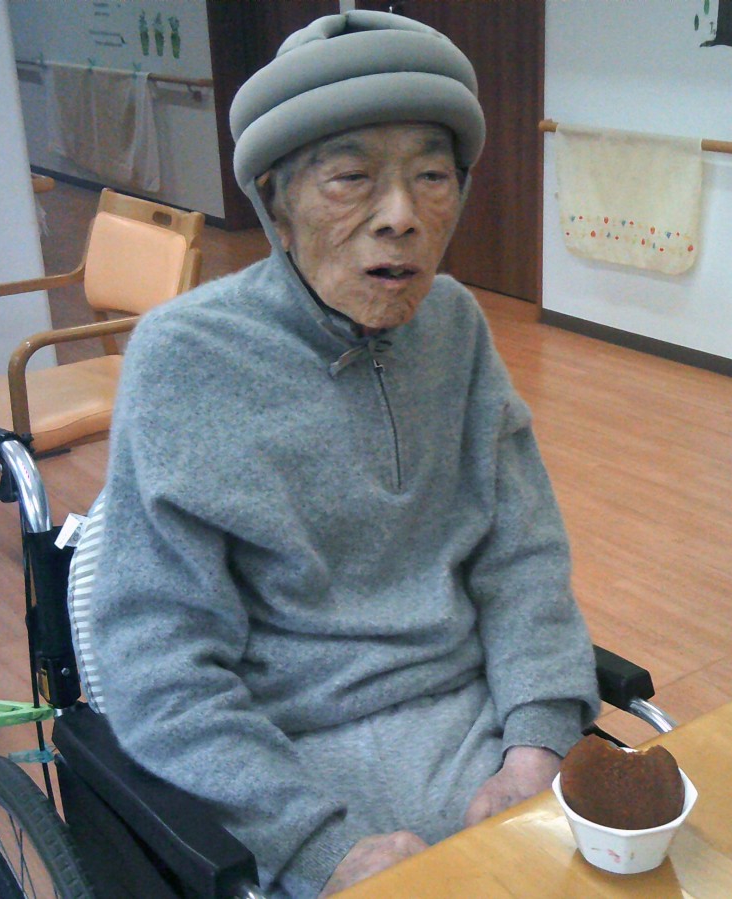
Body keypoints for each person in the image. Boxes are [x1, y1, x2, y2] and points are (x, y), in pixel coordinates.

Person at [86, 11, 600, 898]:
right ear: (275, 201)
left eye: (431, 177)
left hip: (481, 722)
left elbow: (521, 558)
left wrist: (535, 741)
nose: (401, 217)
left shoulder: (456, 326)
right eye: (351, 178)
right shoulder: (186, 357)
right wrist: (321, 844)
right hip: (288, 758)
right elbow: (161, 663)